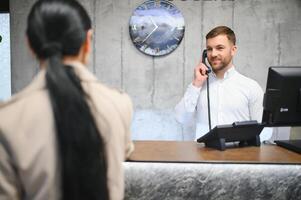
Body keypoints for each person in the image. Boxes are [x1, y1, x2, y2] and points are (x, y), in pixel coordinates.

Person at [0, 0, 133, 199]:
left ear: (29, 43)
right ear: (88, 40)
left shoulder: (7, 118)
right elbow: (123, 152)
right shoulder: (120, 103)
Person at [175, 25, 272, 141]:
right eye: (209, 49)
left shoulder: (251, 87)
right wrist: (196, 84)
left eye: (219, 48)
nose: (213, 54)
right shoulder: (198, 86)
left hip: (238, 156)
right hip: (204, 156)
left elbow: (265, 130)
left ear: (233, 50)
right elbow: (181, 118)